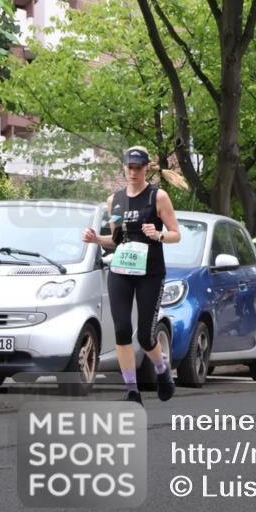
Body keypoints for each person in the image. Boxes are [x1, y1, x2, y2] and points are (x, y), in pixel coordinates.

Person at [81, 147, 182, 404]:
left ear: (146, 168)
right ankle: (132, 391)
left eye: (138, 168)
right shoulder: (114, 200)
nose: (133, 172)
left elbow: (176, 234)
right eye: (129, 167)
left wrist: (158, 234)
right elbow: (116, 240)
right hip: (121, 271)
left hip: (150, 273)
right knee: (122, 330)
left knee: (145, 336)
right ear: (124, 168)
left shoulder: (158, 197)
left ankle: (161, 370)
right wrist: (96, 239)